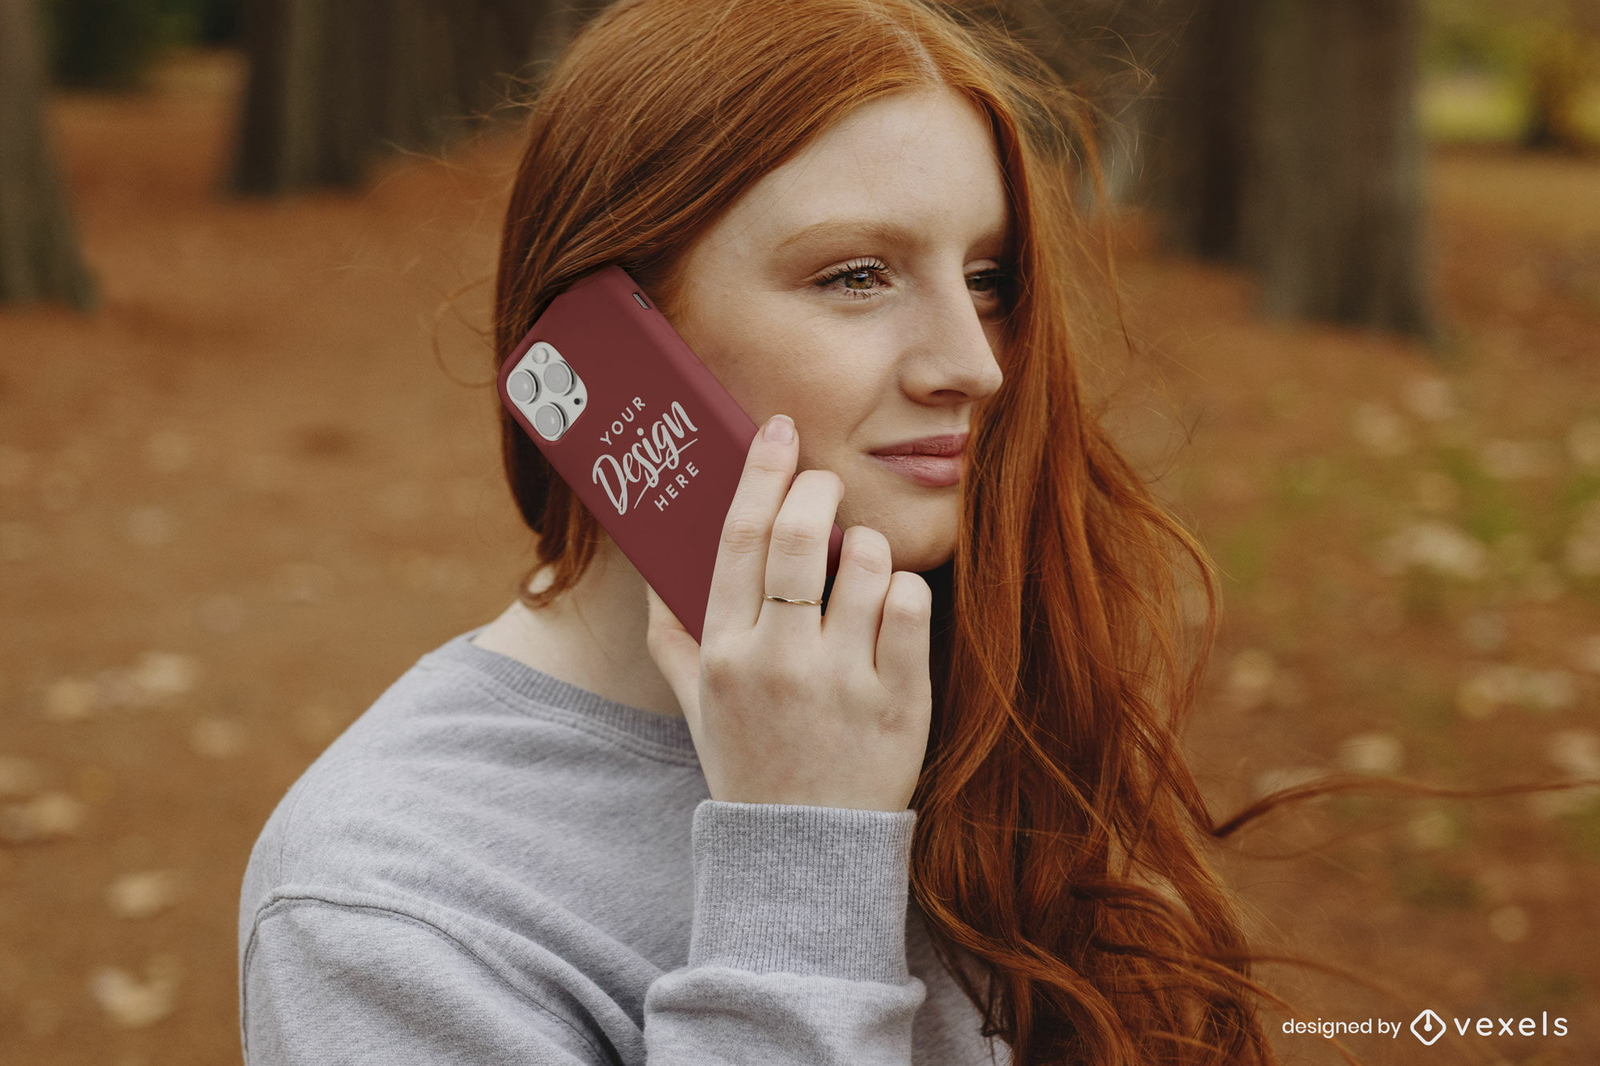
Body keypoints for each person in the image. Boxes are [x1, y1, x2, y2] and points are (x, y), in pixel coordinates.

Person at [238, 1, 1279, 1063]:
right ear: (612, 340)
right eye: (855, 276)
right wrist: (802, 859)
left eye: (987, 279)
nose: (973, 363)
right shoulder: (383, 900)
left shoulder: (974, 680)